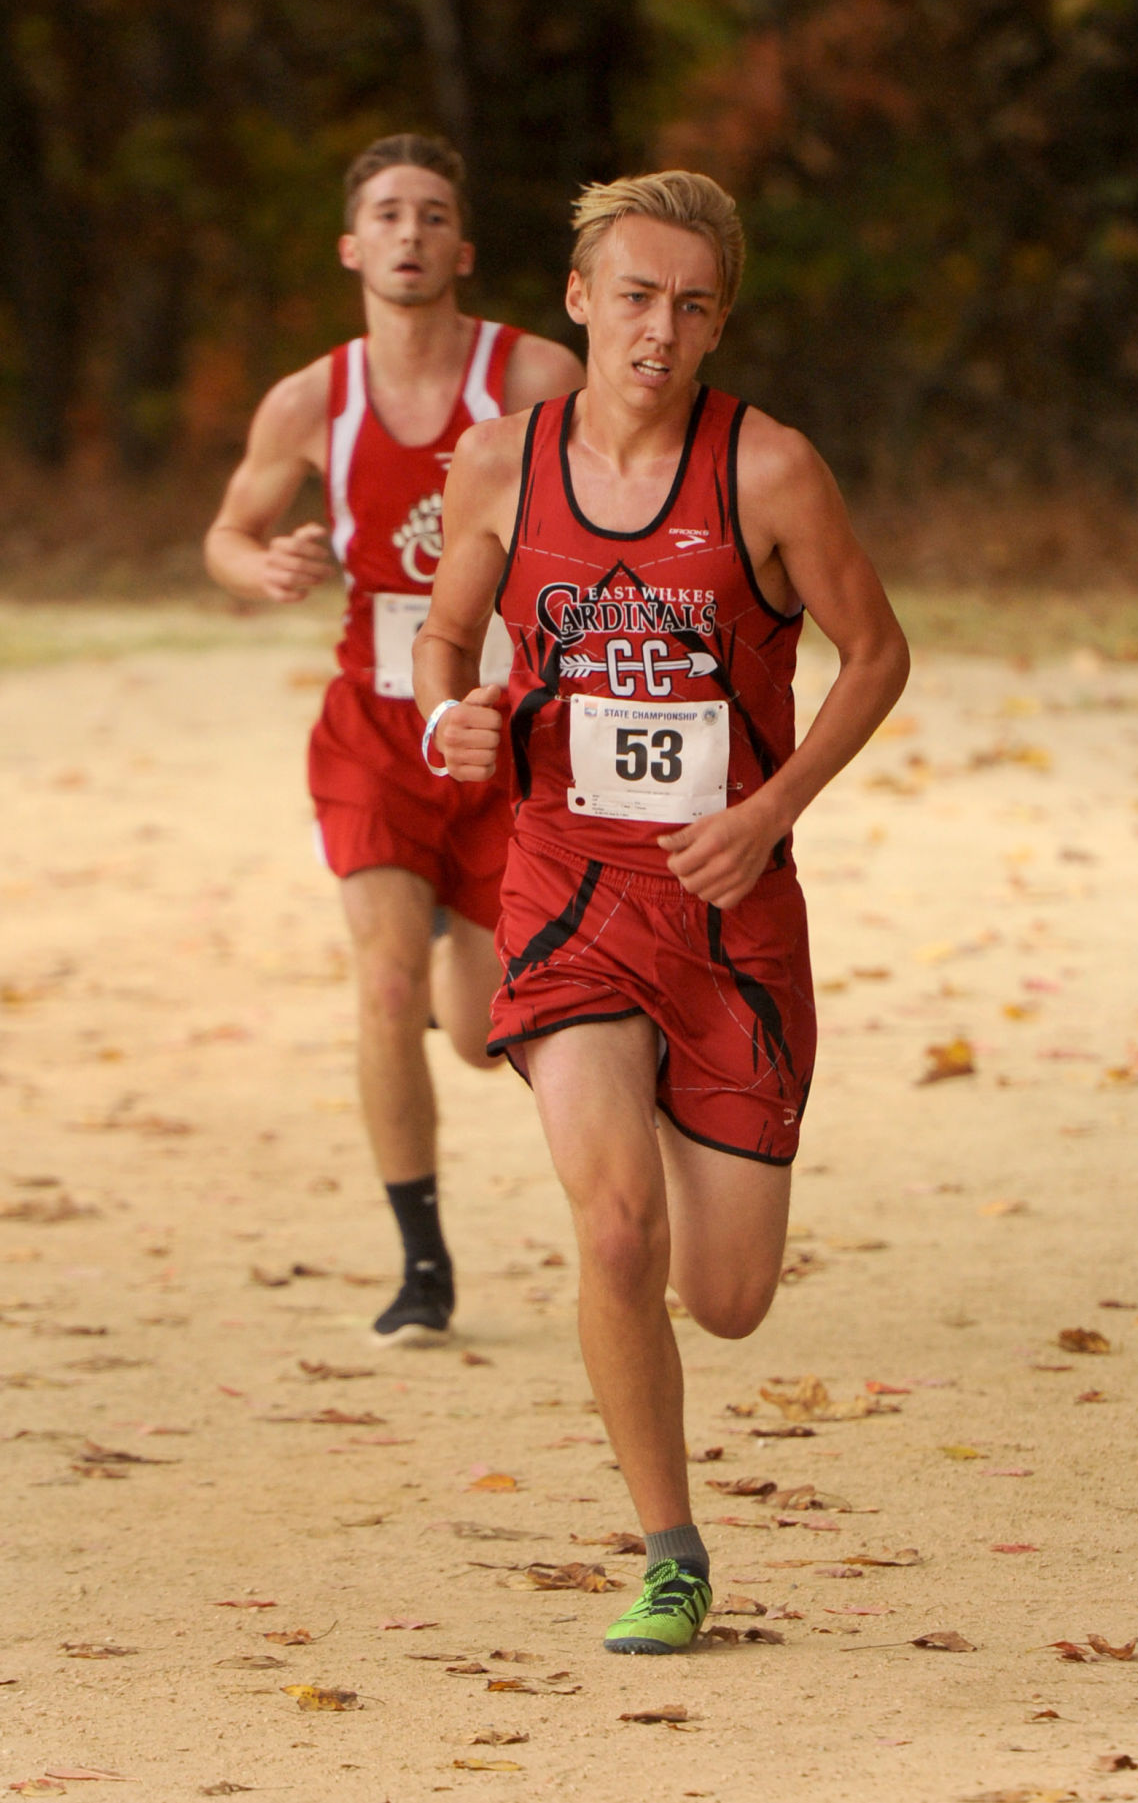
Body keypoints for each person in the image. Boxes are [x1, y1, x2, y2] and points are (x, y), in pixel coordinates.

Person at [413, 169, 910, 1649]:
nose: (657, 329)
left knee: (731, 1292)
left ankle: (703, 1329)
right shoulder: (501, 461)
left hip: (730, 910)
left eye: (691, 306)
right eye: (633, 296)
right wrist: (452, 711)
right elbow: (448, 629)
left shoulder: (768, 471)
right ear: (578, 299)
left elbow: (875, 654)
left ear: (716, 323)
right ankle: (672, 1550)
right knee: (615, 1230)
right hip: (566, 888)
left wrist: (766, 814)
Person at [204, 134, 584, 1345]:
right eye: (387, 214)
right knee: (380, 982)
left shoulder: (530, 375)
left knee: (480, 1036)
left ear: (462, 249)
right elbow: (226, 530)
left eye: (431, 215)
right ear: (352, 247)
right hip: (376, 729)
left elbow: (613, 492)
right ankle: (422, 1269)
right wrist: (265, 563)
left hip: (497, 730)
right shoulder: (313, 398)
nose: (410, 233)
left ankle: (440, 955)